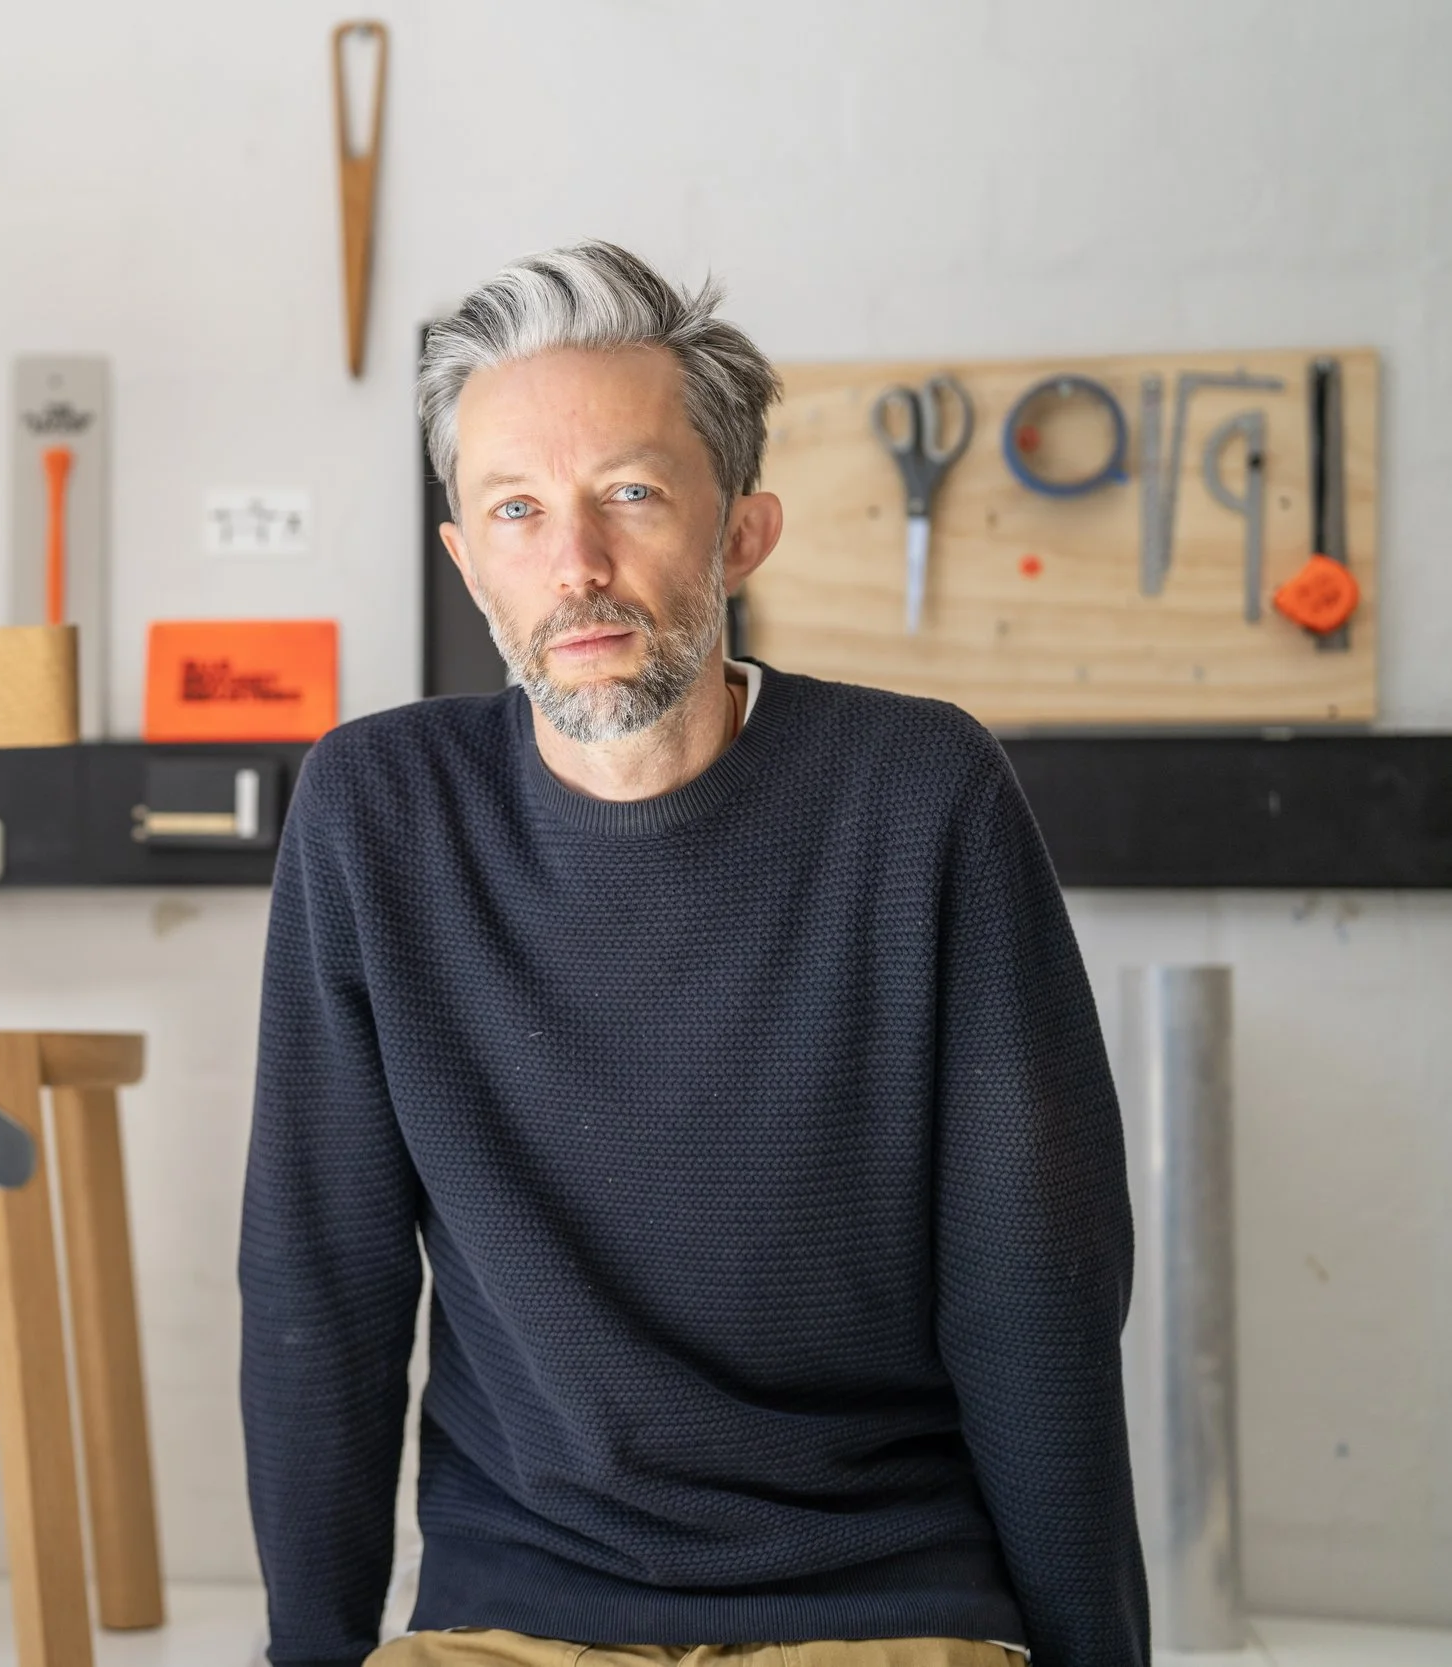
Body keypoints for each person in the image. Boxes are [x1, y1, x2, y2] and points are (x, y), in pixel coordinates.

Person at [239, 241, 1145, 1667]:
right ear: (468, 561)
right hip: (510, 1617)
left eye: (632, 495)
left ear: (742, 531)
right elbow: (321, 1280)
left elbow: (1037, 1295)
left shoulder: (923, 796)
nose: (578, 565)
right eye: (519, 510)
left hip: (878, 1606)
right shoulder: (375, 811)